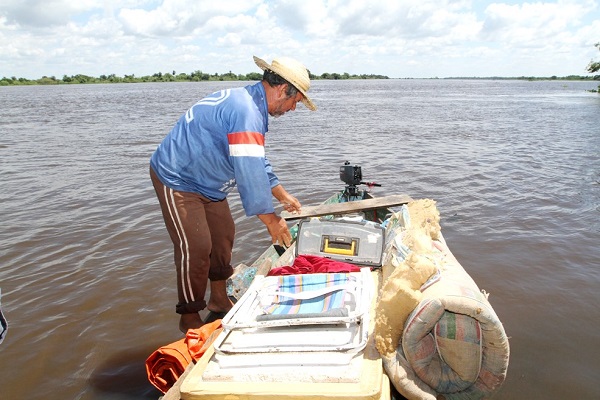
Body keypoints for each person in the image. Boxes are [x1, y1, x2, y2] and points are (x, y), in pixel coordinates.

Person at [150, 55, 317, 333]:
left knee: (223, 235)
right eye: (295, 101)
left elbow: (254, 157)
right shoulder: (247, 112)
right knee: (197, 246)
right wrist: (271, 220)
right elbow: (249, 172)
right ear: (281, 90)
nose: (293, 108)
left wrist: (281, 194)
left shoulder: (253, 105)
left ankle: (218, 298)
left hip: (209, 182)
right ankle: (189, 317)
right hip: (178, 178)